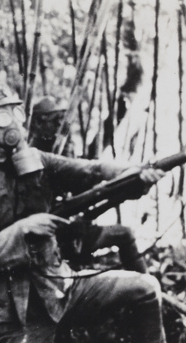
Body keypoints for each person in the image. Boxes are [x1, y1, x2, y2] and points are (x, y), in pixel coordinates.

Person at [0, 81, 173, 343]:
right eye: (1, 115)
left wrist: (136, 173)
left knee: (146, 287)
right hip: (17, 308)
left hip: (61, 286)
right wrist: (23, 229)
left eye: (14, 112)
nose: (13, 121)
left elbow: (93, 171)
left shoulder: (37, 161)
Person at [29, 96, 147, 273]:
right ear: (38, 124)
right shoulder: (37, 159)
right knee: (124, 235)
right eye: (55, 122)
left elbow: (84, 179)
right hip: (55, 238)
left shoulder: (59, 150)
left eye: (62, 122)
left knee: (124, 234)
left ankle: (144, 289)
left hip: (73, 231)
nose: (60, 128)